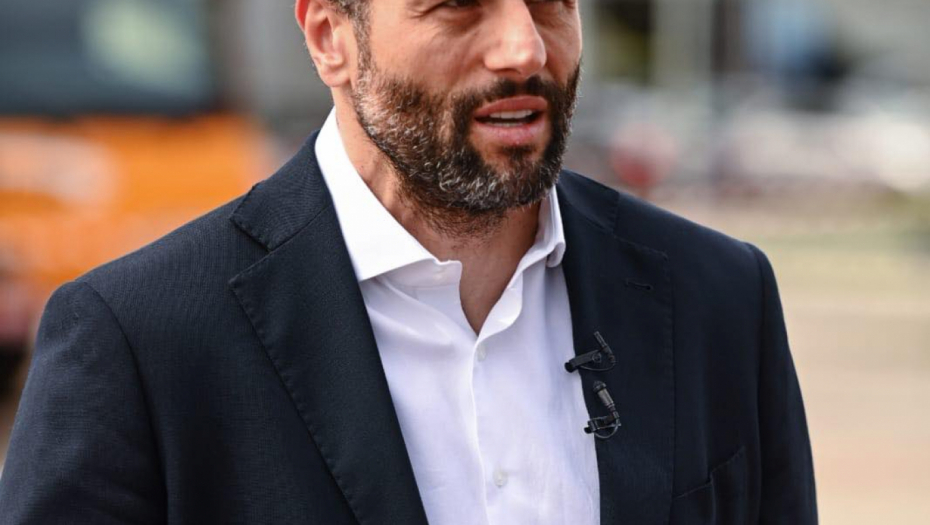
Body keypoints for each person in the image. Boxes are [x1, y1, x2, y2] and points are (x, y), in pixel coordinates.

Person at [0, 1, 817, 523]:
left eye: (551, 1)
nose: (523, 47)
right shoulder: (138, 337)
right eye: (458, 6)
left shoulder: (718, 296)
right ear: (330, 37)